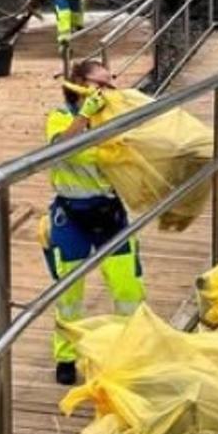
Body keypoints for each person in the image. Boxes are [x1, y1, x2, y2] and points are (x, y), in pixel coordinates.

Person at [42, 59, 145, 385]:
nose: (107, 90)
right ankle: (67, 357)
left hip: (110, 214)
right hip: (71, 216)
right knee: (69, 293)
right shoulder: (60, 117)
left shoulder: (115, 118)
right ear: (80, 86)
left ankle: (130, 356)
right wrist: (85, 115)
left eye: (110, 84)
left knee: (128, 288)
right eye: (100, 84)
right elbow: (63, 149)